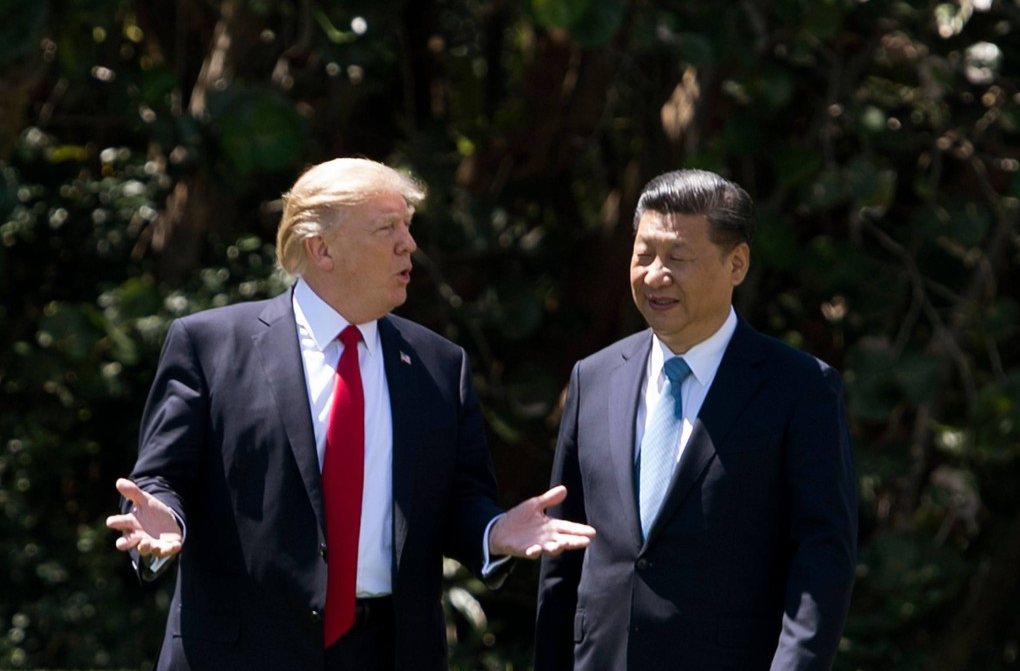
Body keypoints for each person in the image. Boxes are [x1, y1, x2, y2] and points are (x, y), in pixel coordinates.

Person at [106, 157, 595, 671]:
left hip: (389, 650)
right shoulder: (209, 345)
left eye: (407, 226)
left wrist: (492, 533)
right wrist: (164, 520)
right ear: (321, 248)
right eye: (388, 228)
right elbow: (161, 477)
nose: (408, 245)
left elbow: (460, 500)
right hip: (241, 649)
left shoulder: (438, 364)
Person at [534, 169, 858, 670]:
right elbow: (565, 548)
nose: (655, 275)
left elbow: (822, 560)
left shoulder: (799, 388)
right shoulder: (593, 378)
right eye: (643, 256)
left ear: (737, 264)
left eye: (679, 259)